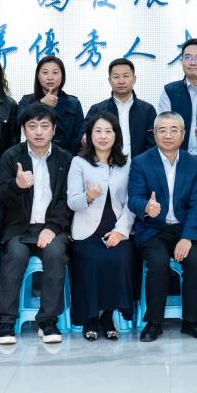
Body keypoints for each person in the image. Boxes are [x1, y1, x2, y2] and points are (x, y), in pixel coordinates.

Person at [126, 112, 197, 342]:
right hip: (153, 229)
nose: (168, 135)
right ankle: (154, 322)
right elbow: (134, 198)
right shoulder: (140, 162)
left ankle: (191, 322)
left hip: (184, 229)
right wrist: (146, 206)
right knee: (158, 263)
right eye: (162, 130)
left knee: (196, 261)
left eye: (174, 130)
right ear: (154, 134)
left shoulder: (195, 164)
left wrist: (188, 237)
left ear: (183, 134)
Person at [0, 103, 73, 344]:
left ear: (54, 130)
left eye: (44, 126)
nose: (38, 132)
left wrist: (52, 227)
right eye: (32, 126)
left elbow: (67, 199)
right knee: (15, 256)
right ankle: (6, 322)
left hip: (52, 227)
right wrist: (16, 185)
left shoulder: (65, 158)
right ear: (24, 130)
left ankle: (47, 320)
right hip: (19, 227)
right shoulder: (11, 156)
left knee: (56, 254)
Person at [67, 112, 136, 341]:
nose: (103, 136)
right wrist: (88, 196)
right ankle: (90, 318)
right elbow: (72, 202)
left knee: (120, 257)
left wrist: (120, 232)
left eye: (108, 131)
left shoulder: (127, 164)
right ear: (89, 135)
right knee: (92, 259)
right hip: (87, 231)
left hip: (117, 229)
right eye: (98, 131)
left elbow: (131, 203)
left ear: (116, 135)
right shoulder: (78, 163)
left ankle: (107, 315)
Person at [83, 57, 156, 159]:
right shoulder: (97, 110)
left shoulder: (148, 110)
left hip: (139, 165)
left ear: (134, 79)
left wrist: (141, 165)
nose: (121, 81)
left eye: (126, 76)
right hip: (106, 165)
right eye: (116, 77)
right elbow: (84, 138)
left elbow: (153, 143)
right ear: (109, 80)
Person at [16, 55, 84, 156]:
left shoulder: (74, 103)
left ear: (62, 76)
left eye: (55, 73)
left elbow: (79, 136)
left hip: (66, 158)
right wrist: (40, 103)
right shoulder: (27, 100)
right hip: (34, 155)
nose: (50, 77)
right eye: (45, 73)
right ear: (38, 76)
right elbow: (18, 121)